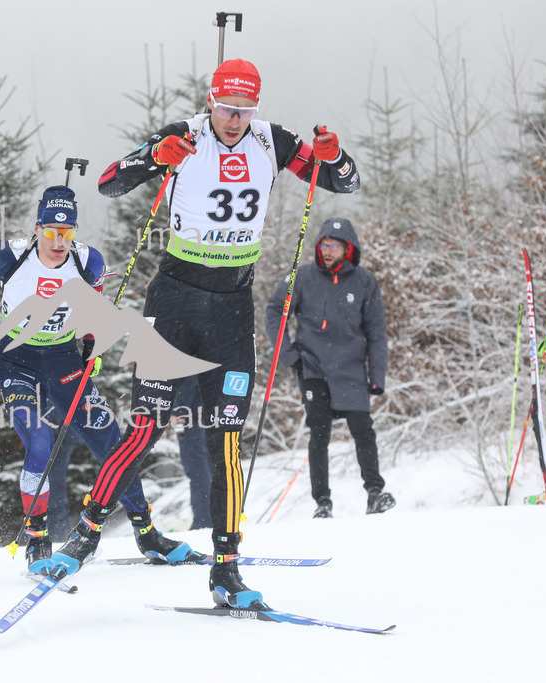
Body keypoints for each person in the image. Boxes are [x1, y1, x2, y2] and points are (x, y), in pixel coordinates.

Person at [47, 58, 361, 608]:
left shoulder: (275, 141)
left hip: (232, 309)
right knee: (145, 427)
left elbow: (342, 181)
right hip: (174, 303)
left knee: (227, 440)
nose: (234, 120)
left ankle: (226, 569)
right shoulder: (183, 136)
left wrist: (332, 154)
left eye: (244, 110)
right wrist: (153, 157)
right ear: (210, 101)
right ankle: (86, 534)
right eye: (225, 108)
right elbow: (108, 183)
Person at [0, 185, 204, 574]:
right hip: (17, 361)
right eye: (52, 231)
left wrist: (92, 344)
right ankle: (37, 539)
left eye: (67, 232)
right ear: (37, 228)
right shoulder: (12, 254)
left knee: (111, 443)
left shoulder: (88, 261)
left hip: (63, 361)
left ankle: (147, 534)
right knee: (39, 441)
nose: (59, 241)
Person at [265, 217, 394, 519]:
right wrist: (289, 356)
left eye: (334, 246)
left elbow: (377, 331)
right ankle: (322, 503)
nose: (327, 251)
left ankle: (375, 493)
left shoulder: (364, 281)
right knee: (318, 434)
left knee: (364, 431)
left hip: (351, 370)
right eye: (323, 244)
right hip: (312, 367)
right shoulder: (302, 276)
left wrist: (377, 376)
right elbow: (275, 311)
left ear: (348, 249)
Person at [173, 376, 211, 530]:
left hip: (192, 416)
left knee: (197, 470)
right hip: (203, 413)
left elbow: (188, 375)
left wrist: (179, 411)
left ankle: (204, 520)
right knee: (206, 467)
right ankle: (210, 518)